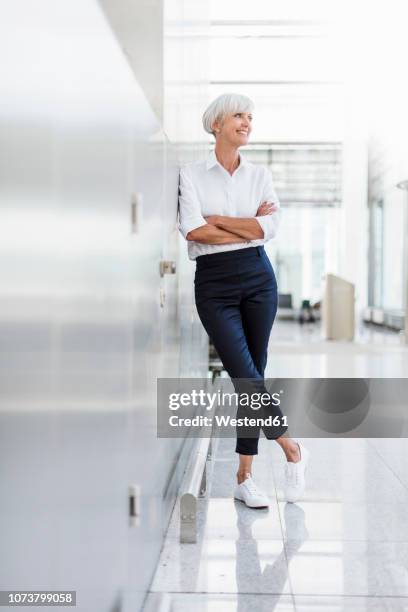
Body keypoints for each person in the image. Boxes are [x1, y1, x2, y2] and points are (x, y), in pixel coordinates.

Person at [178, 93, 309, 509]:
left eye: (250, 117)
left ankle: (243, 477)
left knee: (253, 374)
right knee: (245, 375)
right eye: (239, 115)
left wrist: (222, 221)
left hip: (257, 278)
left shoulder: (260, 174)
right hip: (214, 284)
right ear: (216, 124)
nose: (247, 122)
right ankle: (290, 445)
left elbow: (269, 228)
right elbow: (194, 231)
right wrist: (246, 227)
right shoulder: (192, 173)